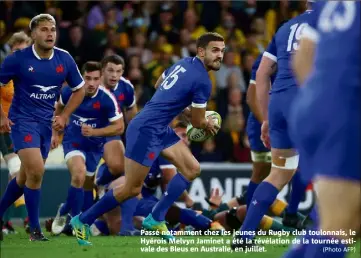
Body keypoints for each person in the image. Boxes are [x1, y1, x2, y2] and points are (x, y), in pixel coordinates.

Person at [70, 32, 224, 246]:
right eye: (215, 50)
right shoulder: (203, 82)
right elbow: (198, 124)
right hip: (146, 129)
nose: (220, 55)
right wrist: (208, 123)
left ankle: (155, 218)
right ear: (201, 51)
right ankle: (83, 220)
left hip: (157, 126)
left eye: (222, 51)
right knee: (131, 189)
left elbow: (159, 82)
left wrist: (181, 109)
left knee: (192, 169)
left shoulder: (183, 63)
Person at [232, 1, 314, 250]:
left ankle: (245, 235)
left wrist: (266, 117)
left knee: (280, 172)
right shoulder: (331, 24)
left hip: (278, 103)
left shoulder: (285, 28)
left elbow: (261, 74)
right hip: (305, 99)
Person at [284, 2, 360, 258]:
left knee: (349, 222)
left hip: (314, 106)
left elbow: (302, 59)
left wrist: (322, 102)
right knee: (337, 229)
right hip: (347, 111)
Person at [0, 14, 85, 242]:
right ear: (33, 34)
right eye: (45, 29)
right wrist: (1, 116)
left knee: (23, 178)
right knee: (36, 171)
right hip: (21, 122)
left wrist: (65, 116)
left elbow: (80, 89)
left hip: (46, 125)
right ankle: (35, 230)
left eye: (53, 30)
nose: (50, 34)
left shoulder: (64, 59)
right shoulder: (17, 59)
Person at [50, 61, 124, 235]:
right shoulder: (69, 92)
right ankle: (78, 222)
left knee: (87, 184)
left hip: (94, 147)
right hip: (72, 142)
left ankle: (64, 210)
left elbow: (120, 127)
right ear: (82, 77)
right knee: (79, 174)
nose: (91, 83)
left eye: (95, 79)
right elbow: (58, 108)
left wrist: (95, 131)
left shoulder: (107, 99)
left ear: (100, 79)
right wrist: (55, 133)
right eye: (88, 78)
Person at [246, 52, 307, 229]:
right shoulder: (267, 59)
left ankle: (291, 213)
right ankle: (251, 223)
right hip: (263, 121)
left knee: (301, 166)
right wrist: (267, 123)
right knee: (262, 172)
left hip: (287, 120)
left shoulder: (303, 57)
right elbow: (252, 97)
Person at [0, 31, 31, 235]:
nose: (19, 53)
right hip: (3, 125)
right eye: (16, 50)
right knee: (17, 170)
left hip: (14, 127)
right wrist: (2, 117)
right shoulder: (4, 69)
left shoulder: (28, 72)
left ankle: (6, 221)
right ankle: (27, 218)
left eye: (23, 50)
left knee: (19, 172)